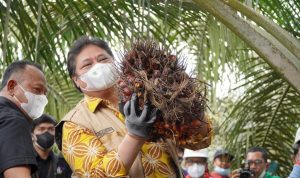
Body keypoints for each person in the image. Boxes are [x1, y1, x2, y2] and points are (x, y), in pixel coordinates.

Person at [54, 36, 212, 178]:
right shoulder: (73, 124)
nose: (98, 66)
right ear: (76, 79)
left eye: (103, 59)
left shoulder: (150, 99)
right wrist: (135, 136)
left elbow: (199, 142)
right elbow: (96, 175)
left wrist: (187, 102)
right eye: (87, 65)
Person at [0, 61, 48, 178]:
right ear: (11, 87)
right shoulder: (13, 120)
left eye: (45, 94)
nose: (43, 99)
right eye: (37, 89)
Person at [31, 114, 72, 178]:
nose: (46, 132)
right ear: (32, 135)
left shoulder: (63, 162)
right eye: (41, 129)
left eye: (51, 129)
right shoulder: (24, 162)